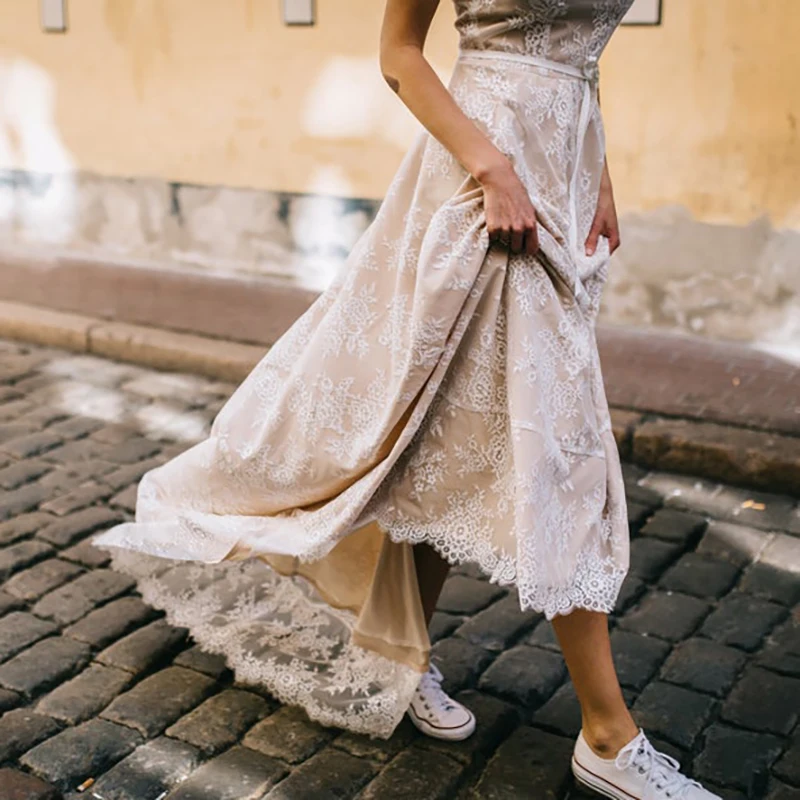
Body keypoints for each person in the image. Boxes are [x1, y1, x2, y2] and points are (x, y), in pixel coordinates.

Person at [95, 1, 721, 798]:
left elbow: (577, 53)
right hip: (483, 181)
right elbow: (399, 53)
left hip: (558, 172)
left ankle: (396, 650)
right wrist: (491, 169)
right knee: (559, 447)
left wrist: (597, 170)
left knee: (445, 428)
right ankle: (607, 734)